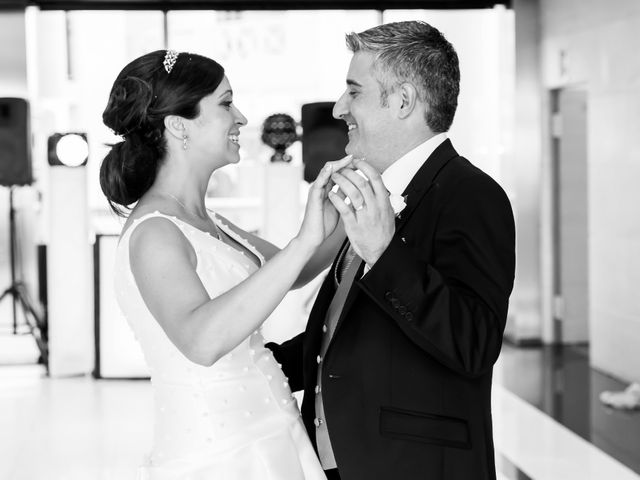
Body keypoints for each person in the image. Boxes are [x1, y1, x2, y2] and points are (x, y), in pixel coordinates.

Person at [267, 21, 516, 480]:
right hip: (347, 460)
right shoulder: (371, 194)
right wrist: (259, 369)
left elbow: (474, 344)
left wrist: (384, 253)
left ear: (402, 101)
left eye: (353, 92)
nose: (340, 108)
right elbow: (353, 331)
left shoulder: (471, 195)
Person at [101, 49, 351, 480]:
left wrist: (347, 215)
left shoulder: (210, 221)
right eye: (225, 103)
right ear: (178, 125)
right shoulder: (155, 232)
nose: (240, 117)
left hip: (276, 432)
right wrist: (305, 238)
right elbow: (201, 341)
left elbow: (296, 270)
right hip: (220, 454)